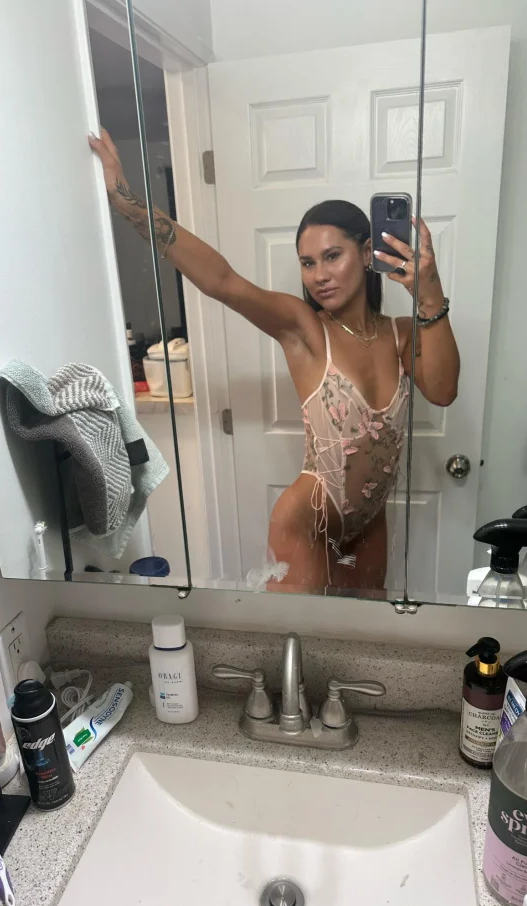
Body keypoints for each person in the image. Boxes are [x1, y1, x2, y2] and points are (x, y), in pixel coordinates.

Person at [89, 129, 460, 594]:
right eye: (308, 263)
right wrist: (127, 203)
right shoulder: (305, 328)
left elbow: (443, 391)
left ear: (367, 254)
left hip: (370, 524)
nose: (319, 276)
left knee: (362, 632)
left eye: (332, 256)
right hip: (305, 521)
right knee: (299, 633)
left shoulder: (402, 335)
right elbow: (223, 281)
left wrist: (430, 290)